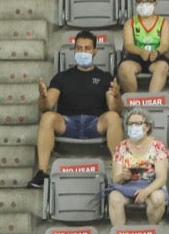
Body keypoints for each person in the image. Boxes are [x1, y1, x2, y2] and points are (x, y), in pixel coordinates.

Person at [27, 30, 125, 188]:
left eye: (87, 48)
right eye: (79, 48)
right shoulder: (62, 77)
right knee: (47, 117)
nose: (83, 52)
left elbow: (116, 109)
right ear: (74, 50)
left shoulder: (105, 77)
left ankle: (118, 173)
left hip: (95, 124)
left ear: (95, 51)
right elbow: (47, 106)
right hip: (68, 123)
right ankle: (41, 173)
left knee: (113, 117)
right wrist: (42, 97)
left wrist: (117, 97)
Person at [107, 111, 169, 226]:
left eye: (137, 123)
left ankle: (152, 231)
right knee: (114, 197)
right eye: (130, 124)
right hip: (127, 185)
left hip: (151, 185)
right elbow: (116, 179)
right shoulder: (121, 147)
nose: (133, 127)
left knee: (158, 198)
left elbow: (161, 178)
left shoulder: (157, 146)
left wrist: (146, 192)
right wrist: (123, 175)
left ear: (147, 127)